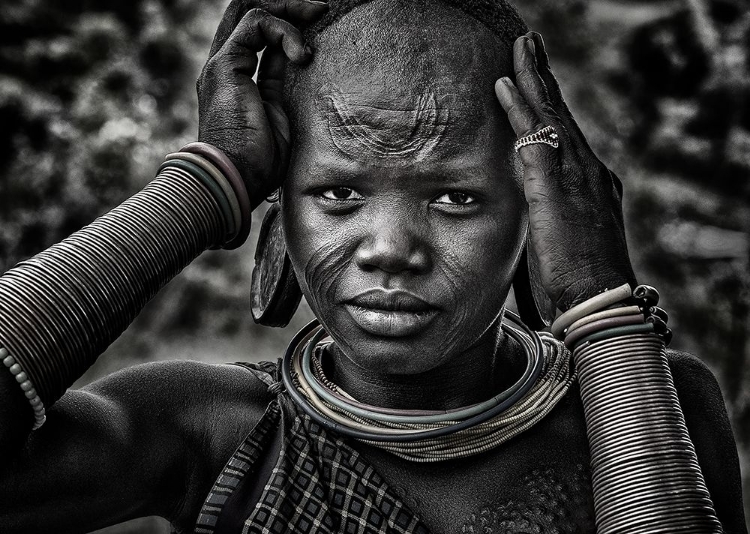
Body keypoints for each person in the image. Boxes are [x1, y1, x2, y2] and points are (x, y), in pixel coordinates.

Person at [0, 0, 746, 533]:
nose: (390, 247)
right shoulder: (210, 430)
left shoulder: (659, 401)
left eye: (456, 196)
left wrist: (602, 309)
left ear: (539, 212)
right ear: (281, 214)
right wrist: (208, 181)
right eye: (338, 192)